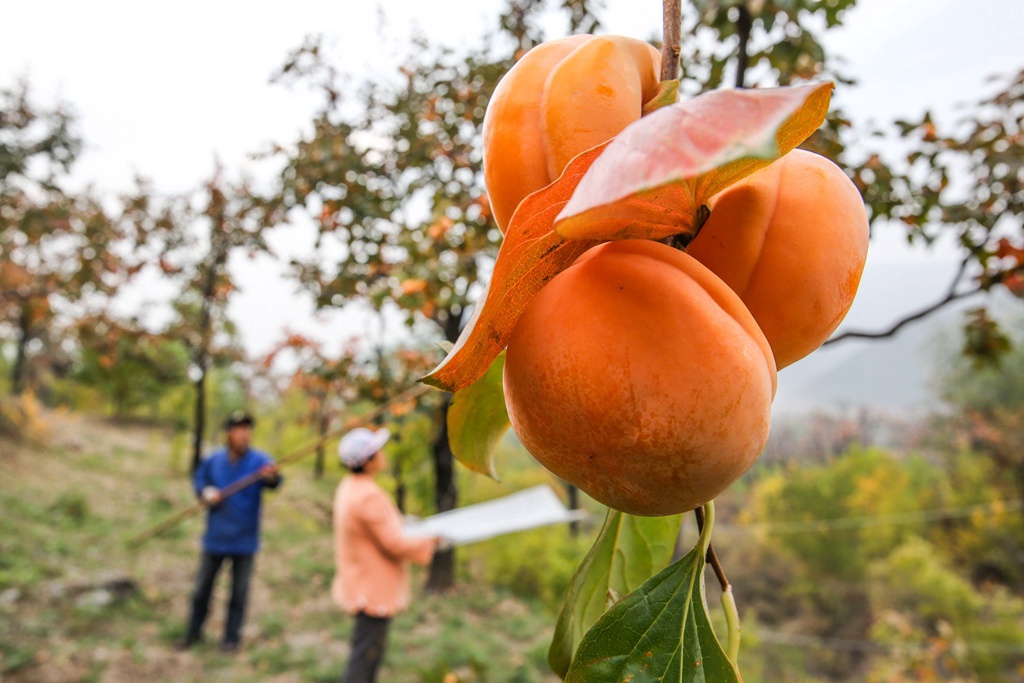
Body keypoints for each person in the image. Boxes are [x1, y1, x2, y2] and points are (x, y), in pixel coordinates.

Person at [332, 427, 441, 683]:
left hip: (358, 578)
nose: (383, 455)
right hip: (372, 589)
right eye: (377, 451)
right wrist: (430, 540)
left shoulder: (350, 487)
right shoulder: (368, 495)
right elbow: (393, 541)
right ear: (368, 461)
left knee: (367, 650)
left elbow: (383, 527)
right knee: (366, 656)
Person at [178, 410, 282, 653]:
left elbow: (275, 482)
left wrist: (271, 477)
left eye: (247, 430)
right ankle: (193, 633)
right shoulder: (214, 460)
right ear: (229, 433)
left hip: (244, 540)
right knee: (202, 590)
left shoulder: (260, 461)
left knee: (238, 593)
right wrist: (205, 492)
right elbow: (200, 482)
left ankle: (231, 639)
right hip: (216, 537)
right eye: (239, 430)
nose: (244, 434)